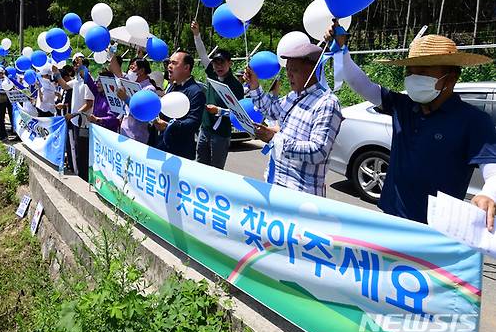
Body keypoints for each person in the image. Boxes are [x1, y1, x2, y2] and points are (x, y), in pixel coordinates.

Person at [333, 25, 496, 231]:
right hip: (391, 218)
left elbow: (492, 169)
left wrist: (489, 194)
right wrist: (341, 50)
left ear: (452, 77)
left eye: (423, 71)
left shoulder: (474, 120)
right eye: (410, 71)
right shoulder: (403, 106)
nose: (413, 77)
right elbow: (360, 83)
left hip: (435, 230)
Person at [245, 43, 343, 197]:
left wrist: (275, 139)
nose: (289, 74)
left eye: (294, 70)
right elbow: (270, 110)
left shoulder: (327, 103)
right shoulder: (293, 96)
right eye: (288, 69)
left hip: (300, 196)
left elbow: (318, 150)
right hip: (275, 183)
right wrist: (254, 86)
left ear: (313, 70)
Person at [191, 21, 245, 169]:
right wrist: (197, 35)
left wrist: (219, 111)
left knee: (216, 170)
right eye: (216, 63)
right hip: (205, 129)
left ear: (230, 64)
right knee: (200, 166)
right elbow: (202, 55)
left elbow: (238, 112)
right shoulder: (212, 75)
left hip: (221, 134)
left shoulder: (236, 85)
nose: (218, 66)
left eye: (222, 63)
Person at [154, 51, 205, 160]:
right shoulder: (173, 86)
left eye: (174, 63)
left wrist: (169, 126)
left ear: (186, 68)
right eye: (169, 63)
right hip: (162, 146)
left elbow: (193, 122)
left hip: (179, 153)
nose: (169, 66)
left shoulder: (195, 92)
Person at [109, 53, 156, 144]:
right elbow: (117, 71)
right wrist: (111, 54)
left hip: (137, 136)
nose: (130, 69)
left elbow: (143, 111)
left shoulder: (149, 89)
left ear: (141, 71)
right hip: (124, 131)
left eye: (133, 67)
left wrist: (126, 99)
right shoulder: (130, 82)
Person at [80, 67, 120, 132]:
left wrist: (98, 119)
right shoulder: (98, 93)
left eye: (101, 81)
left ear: (109, 83)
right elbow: (88, 80)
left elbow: (114, 119)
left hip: (107, 135)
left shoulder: (114, 98)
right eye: (98, 80)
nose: (97, 83)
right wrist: (82, 66)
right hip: (96, 131)